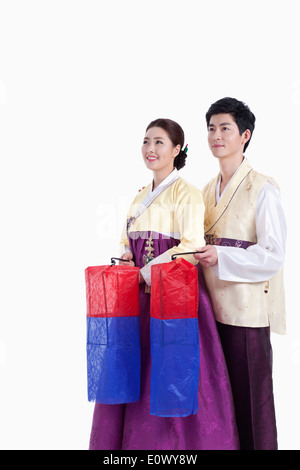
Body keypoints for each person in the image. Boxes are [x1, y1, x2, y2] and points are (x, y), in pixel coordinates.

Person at [89, 118, 239, 450]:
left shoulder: (187, 193)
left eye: (159, 142)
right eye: (146, 141)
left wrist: (145, 272)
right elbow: (126, 242)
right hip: (138, 299)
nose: (151, 149)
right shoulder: (141, 195)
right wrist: (126, 259)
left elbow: (190, 246)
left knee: (173, 369)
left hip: (176, 297)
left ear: (176, 150)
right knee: (135, 369)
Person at [194, 97, 287, 450]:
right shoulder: (204, 190)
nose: (216, 135)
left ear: (245, 135)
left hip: (246, 314)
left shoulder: (262, 188)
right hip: (208, 312)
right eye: (211, 128)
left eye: (225, 128)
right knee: (217, 407)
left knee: (252, 406)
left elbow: (273, 255)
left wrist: (221, 255)